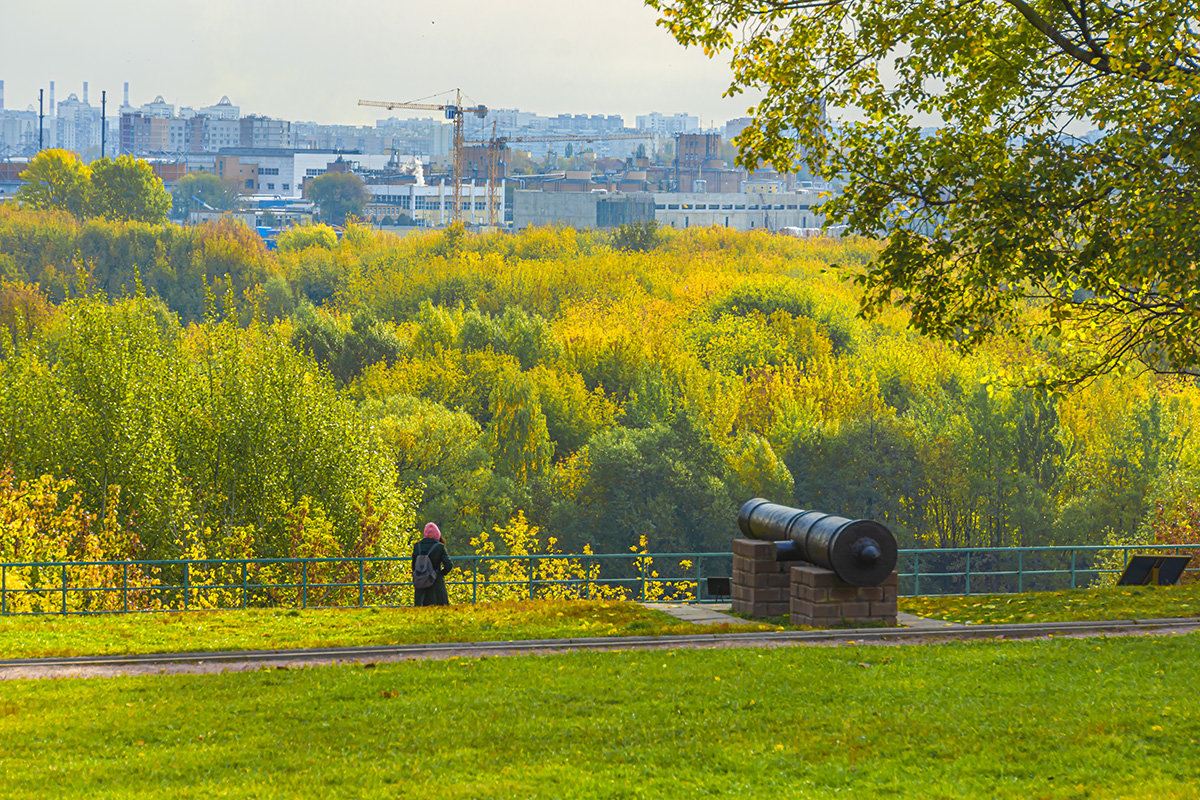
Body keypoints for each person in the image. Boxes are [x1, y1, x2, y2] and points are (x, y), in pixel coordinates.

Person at [412, 522, 453, 606]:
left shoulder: (417, 546)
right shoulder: (439, 547)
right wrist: (440, 574)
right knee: (440, 611)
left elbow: (413, 566)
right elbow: (448, 565)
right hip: (436, 584)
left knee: (420, 612)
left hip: (420, 583)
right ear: (437, 534)